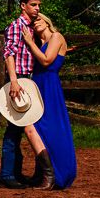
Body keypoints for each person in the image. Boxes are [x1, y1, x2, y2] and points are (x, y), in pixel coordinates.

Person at [22, 14, 77, 189]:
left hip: (50, 87)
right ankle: (42, 173)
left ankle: (50, 175)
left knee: (39, 128)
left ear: (47, 21)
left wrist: (30, 42)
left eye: (39, 19)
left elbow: (46, 60)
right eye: (33, 21)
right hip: (38, 86)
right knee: (36, 129)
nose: (36, 22)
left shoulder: (56, 36)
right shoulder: (40, 44)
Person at [0, 0, 41, 188]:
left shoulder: (32, 28)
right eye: (33, 5)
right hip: (20, 79)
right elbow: (9, 53)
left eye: (39, 5)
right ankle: (8, 175)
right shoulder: (17, 26)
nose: (37, 8)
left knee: (25, 128)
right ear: (23, 6)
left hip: (30, 80)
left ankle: (15, 172)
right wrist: (14, 80)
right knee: (15, 128)